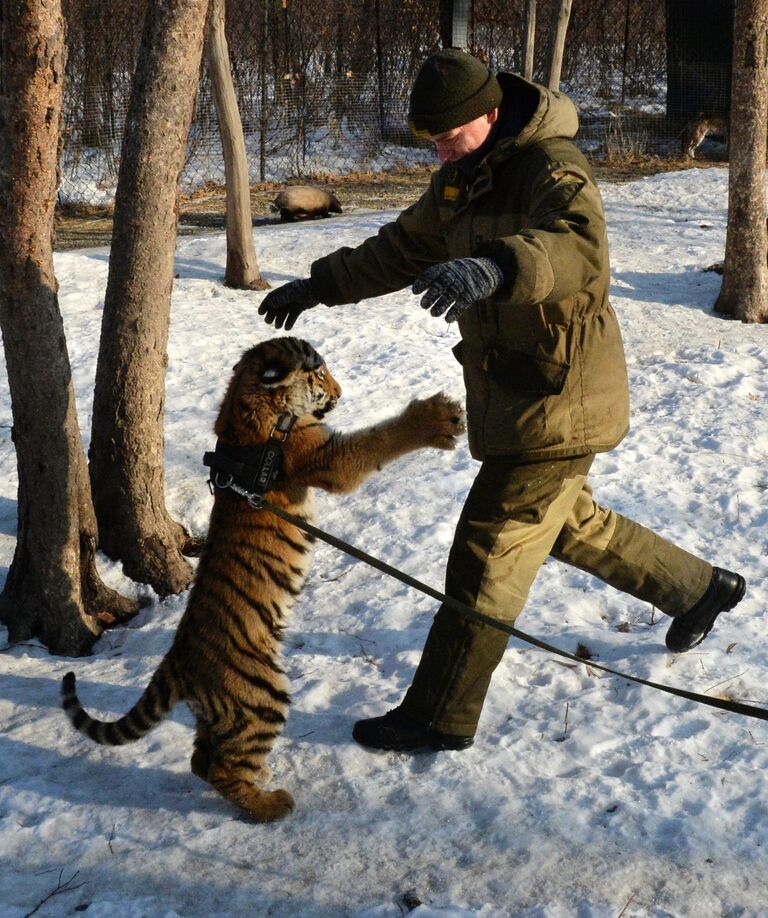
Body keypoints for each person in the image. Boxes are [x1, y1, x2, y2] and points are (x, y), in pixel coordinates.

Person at [258, 49, 746, 753]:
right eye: (430, 137)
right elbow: (402, 246)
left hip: (561, 395)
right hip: (515, 390)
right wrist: (320, 284)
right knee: (569, 524)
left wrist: (499, 265)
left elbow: (579, 250)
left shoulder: (554, 166)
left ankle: (440, 714)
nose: (439, 148)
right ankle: (699, 590)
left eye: (449, 133)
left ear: (490, 113)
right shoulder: (462, 177)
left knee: (488, 549)